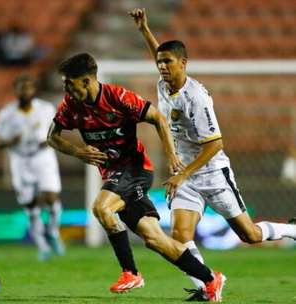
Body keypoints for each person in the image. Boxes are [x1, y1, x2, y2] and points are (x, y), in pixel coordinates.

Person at [130, 8, 296, 301]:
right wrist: (144, 29)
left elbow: (215, 144)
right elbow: (162, 52)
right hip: (187, 176)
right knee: (180, 236)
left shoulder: (196, 98)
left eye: (168, 63)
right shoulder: (164, 82)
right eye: (160, 63)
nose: (162, 67)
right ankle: (208, 287)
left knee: (250, 235)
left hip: (211, 172)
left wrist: (183, 172)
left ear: (184, 63)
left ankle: (290, 229)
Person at [47, 52, 226, 301]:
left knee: (101, 208)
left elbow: (158, 119)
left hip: (135, 169)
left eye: (70, 82)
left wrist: (172, 156)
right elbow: (52, 137)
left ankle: (131, 273)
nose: (66, 87)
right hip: (114, 176)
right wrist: (78, 152)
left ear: (87, 81)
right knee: (154, 239)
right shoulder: (70, 106)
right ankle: (210, 279)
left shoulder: (118, 98)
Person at [0, 74, 64, 261]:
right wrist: (10, 141)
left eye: (29, 87)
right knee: (30, 204)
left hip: (43, 158)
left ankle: (53, 232)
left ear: (34, 90)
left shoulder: (46, 109)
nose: (25, 91)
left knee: (51, 198)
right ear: (15, 90)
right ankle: (42, 245)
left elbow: (59, 130)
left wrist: (49, 141)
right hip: (20, 160)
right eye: (21, 88)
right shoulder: (6, 114)